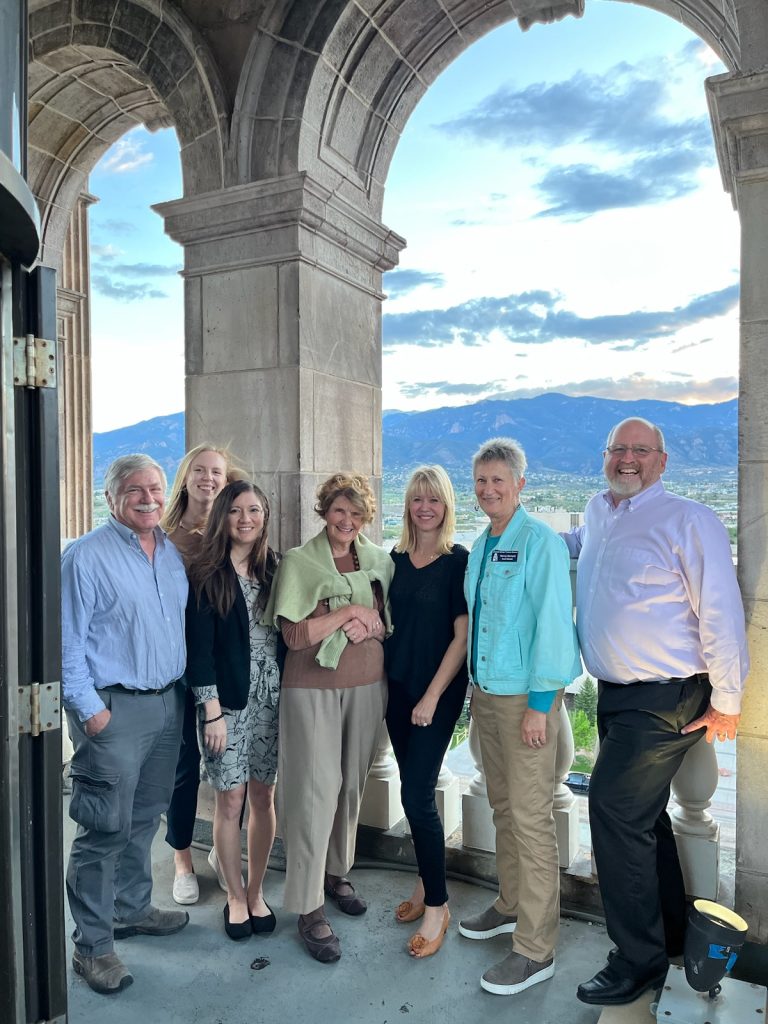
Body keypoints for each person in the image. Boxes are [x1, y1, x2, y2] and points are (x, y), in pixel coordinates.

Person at [562, 417, 749, 1007]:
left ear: (662, 461)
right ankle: (666, 935)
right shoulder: (598, 512)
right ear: (605, 456)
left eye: (640, 450)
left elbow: (721, 611)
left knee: (613, 810)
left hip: (667, 696)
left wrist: (728, 700)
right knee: (641, 818)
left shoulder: (689, 520)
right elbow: (577, 547)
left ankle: (636, 962)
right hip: (617, 694)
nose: (628, 458)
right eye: (618, 449)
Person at [61, 454, 189, 996]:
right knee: (103, 828)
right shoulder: (85, 557)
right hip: (113, 710)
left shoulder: (170, 552)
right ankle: (91, 948)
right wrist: (91, 712)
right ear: (111, 497)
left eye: (155, 488)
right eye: (135, 490)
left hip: (167, 705)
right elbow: (65, 642)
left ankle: (131, 909)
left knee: (144, 816)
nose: (148, 498)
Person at [458, 438, 581, 997]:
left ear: (520, 484)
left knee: (531, 821)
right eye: (481, 481)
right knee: (504, 807)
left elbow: (554, 626)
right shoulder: (483, 543)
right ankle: (509, 905)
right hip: (487, 696)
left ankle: (536, 948)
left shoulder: (540, 542)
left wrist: (540, 705)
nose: (489, 490)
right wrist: (475, 688)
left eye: (498, 481)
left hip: (526, 703)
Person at [263, 473, 393, 963]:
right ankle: (308, 904)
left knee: (351, 788)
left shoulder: (380, 562)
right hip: (311, 690)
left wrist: (370, 624)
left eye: (357, 513)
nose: (347, 521)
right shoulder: (300, 562)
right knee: (313, 794)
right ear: (324, 511)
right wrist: (347, 614)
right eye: (340, 510)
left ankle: (337, 872)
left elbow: (385, 626)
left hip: (368, 687)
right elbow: (295, 636)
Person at [185, 481, 281, 940]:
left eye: (255, 510)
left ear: (265, 516)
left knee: (264, 798)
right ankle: (235, 897)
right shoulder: (207, 573)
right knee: (230, 800)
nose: (246, 519)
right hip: (226, 706)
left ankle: (257, 891)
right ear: (222, 516)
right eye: (236, 510)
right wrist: (211, 712)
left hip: (272, 703)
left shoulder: (275, 569)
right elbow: (199, 652)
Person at [385, 466, 468, 959]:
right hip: (396, 690)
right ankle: (423, 882)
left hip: (435, 694)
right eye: (417, 499)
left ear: (446, 505)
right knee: (413, 792)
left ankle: (438, 906)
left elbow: (461, 637)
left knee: (416, 796)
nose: (424, 507)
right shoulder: (393, 559)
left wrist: (432, 696)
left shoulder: (457, 561)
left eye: (433, 499)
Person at [161, 444, 246, 905]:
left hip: (224, 666)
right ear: (186, 476)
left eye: (217, 472)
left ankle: (222, 848)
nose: (208, 478)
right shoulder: (164, 537)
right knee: (183, 766)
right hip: (178, 668)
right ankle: (182, 859)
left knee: (235, 764)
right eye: (200, 469)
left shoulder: (233, 534)